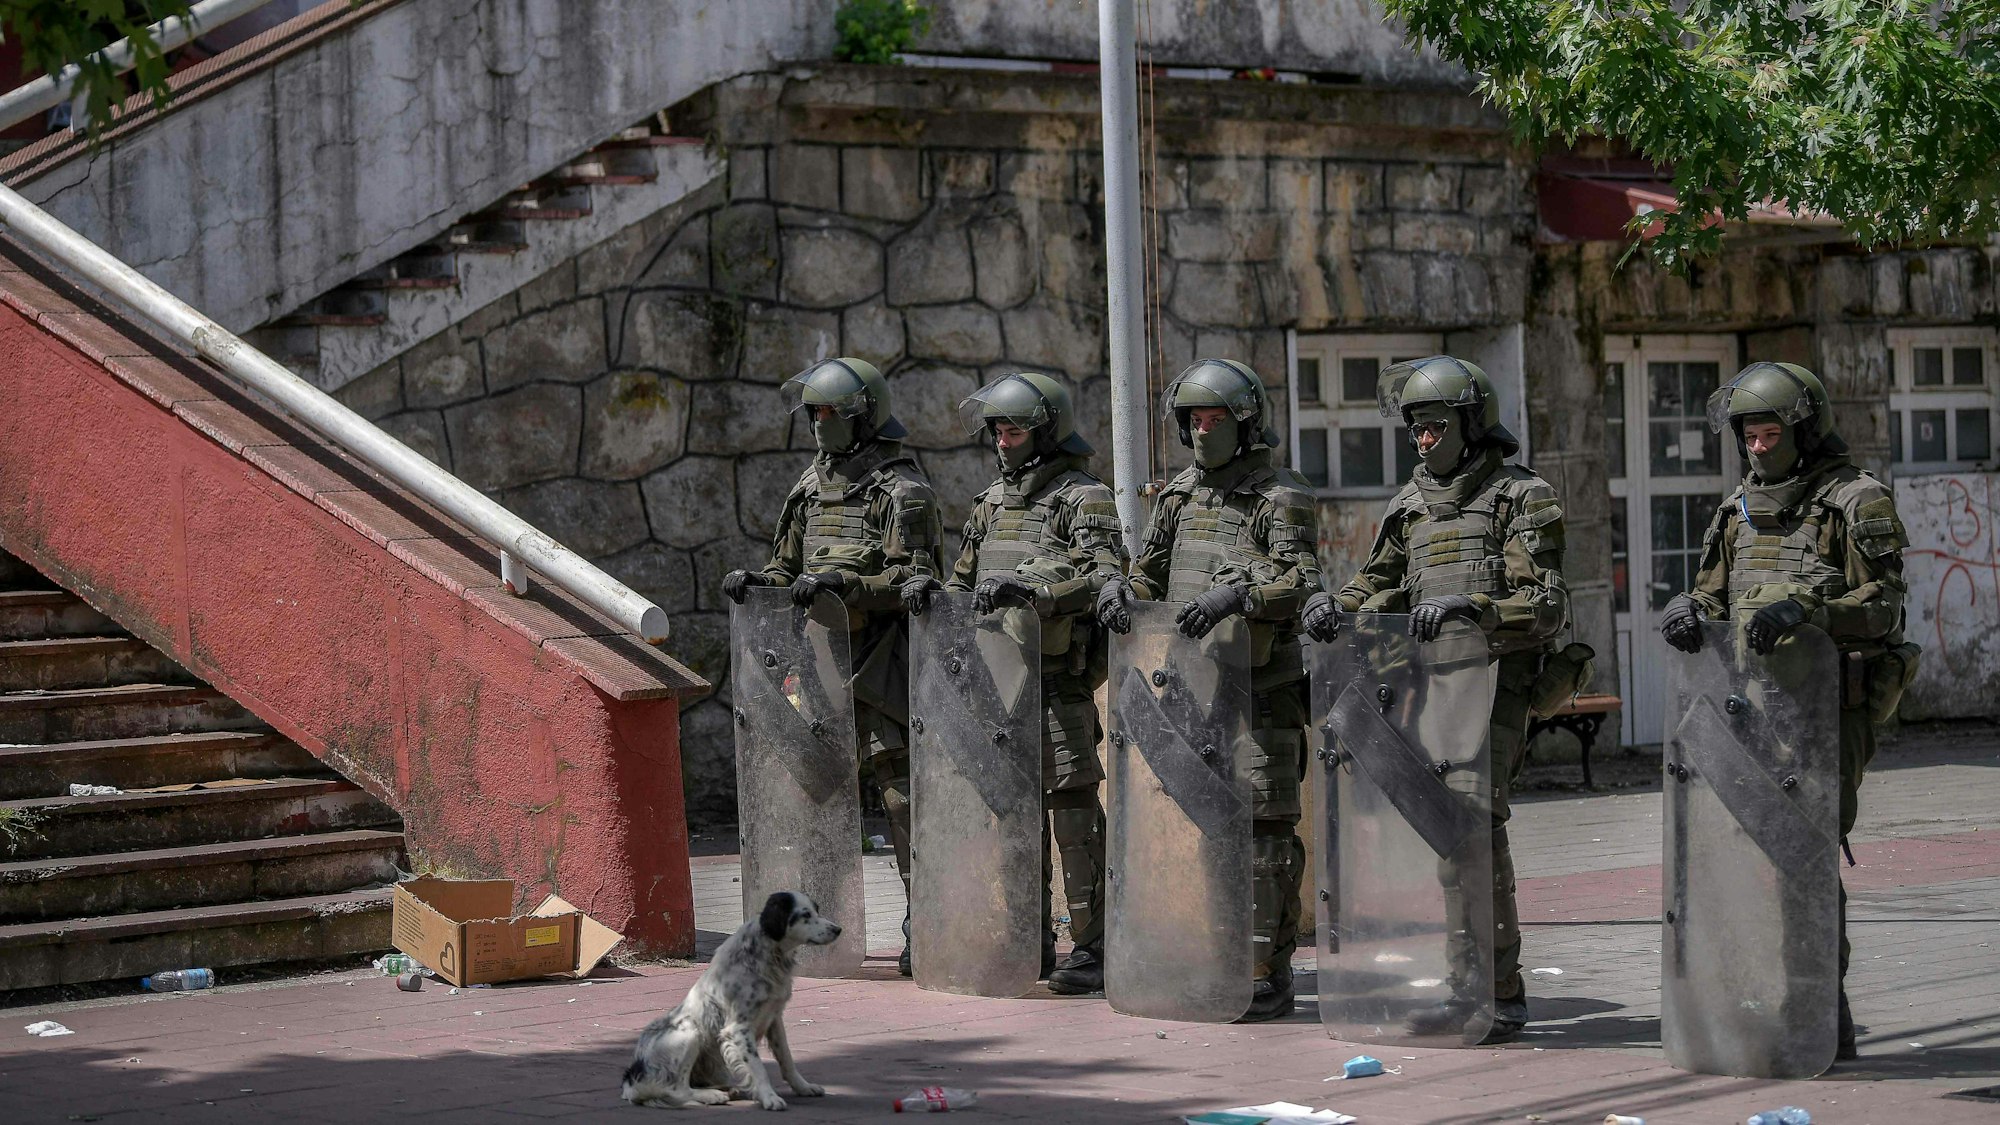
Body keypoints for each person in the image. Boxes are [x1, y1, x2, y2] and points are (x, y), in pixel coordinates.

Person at [1304, 354, 1571, 1044]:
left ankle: (1497, 991)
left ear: (1472, 424)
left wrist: (1473, 605)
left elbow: (1545, 604)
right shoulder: (1410, 505)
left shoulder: (1522, 496)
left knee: (1472, 829)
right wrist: (1335, 606)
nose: (1424, 439)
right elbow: (1379, 582)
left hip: (1497, 681)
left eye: (1436, 426)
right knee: (1448, 838)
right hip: (1431, 686)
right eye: (1416, 428)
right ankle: (1468, 986)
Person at [1657, 360, 1918, 1062]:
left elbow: (1887, 610)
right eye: (1750, 435)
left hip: (1825, 711)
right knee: (1757, 858)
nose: (1759, 448)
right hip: (1745, 712)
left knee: (1802, 859)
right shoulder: (1736, 509)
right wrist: (1688, 611)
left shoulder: (1854, 501)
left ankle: (1816, 1008)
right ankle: (1778, 1001)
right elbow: (1711, 595)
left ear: (1804, 430)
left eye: (1772, 433)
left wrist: (1810, 607)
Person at [1096, 358, 1322, 1022]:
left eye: (1213, 418)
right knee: (1206, 832)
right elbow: (1150, 573)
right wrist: (1121, 591)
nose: (1199, 431)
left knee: (1264, 836)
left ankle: (1263, 969)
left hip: (1263, 691)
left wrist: (1239, 595)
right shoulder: (1179, 495)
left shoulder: (1281, 494)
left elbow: (1303, 581)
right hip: (1191, 692)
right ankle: (1220, 958)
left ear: (1244, 423)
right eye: (1191, 419)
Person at [902, 371, 1127, 993]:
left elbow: (1110, 575)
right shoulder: (989, 503)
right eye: (997, 430)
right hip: (995, 685)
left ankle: (1096, 946)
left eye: (1015, 429)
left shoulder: (1085, 498)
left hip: (1058, 680)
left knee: (1073, 816)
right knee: (1009, 817)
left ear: (1047, 431)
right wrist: (933, 593)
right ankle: (1028, 938)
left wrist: (1038, 591)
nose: (1003, 441)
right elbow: (967, 583)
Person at [723, 358, 944, 977]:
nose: (820, 427)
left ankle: (922, 921)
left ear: (865, 417)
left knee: (902, 800)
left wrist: (847, 582)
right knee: (814, 796)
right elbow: (787, 568)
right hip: (816, 670)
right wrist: (758, 585)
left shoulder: (903, 490)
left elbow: (916, 581)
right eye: (813, 415)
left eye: (831, 414)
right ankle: (818, 924)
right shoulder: (808, 486)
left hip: (881, 668)